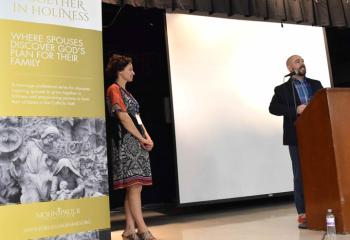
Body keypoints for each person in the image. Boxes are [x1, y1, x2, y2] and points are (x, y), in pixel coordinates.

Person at [269, 55, 323, 229]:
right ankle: (303, 213)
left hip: (318, 135)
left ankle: (323, 207)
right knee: (300, 174)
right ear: (289, 68)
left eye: (303, 61)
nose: (302, 63)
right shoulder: (282, 89)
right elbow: (273, 109)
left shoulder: (316, 84)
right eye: (297, 61)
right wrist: (295, 109)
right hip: (296, 136)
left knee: (320, 171)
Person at [106, 54, 155, 240]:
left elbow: (138, 119)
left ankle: (129, 229)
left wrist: (147, 138)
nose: (133, 72)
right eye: (130, 69)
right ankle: (142, 229)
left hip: (137, 143)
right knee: (134, 186)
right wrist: (140, 138)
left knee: (135, 187)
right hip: (125, 143)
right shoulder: (113, 89)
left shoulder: (129, 94)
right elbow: (123, 118)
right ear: (120, 71)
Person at [9, 126, 60, 203]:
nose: (51, 140)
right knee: (33, 200)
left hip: (45, 181)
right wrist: (17, 162)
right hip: (30, 179)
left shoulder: (51, 150)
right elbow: (21, 158)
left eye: (54, 139)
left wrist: (51, 164)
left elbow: (55, 168)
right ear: (45, 135)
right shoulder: (31, 144)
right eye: (51, 136)